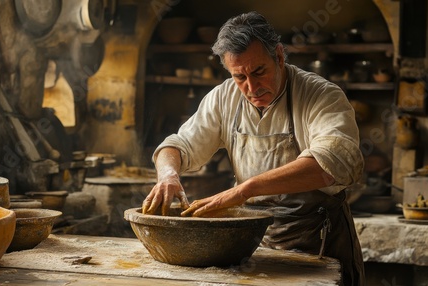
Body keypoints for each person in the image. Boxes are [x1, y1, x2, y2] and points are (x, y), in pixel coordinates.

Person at [142, 11, 365, 286]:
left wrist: (245, 189)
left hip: (318, 241)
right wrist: (168, 175)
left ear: (279, 57)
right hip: (253, 244)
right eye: (240, 77)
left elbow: (332, 164)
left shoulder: (320, 95)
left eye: (259, 72)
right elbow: (177, 145)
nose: (251, 87)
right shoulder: (224, 97)